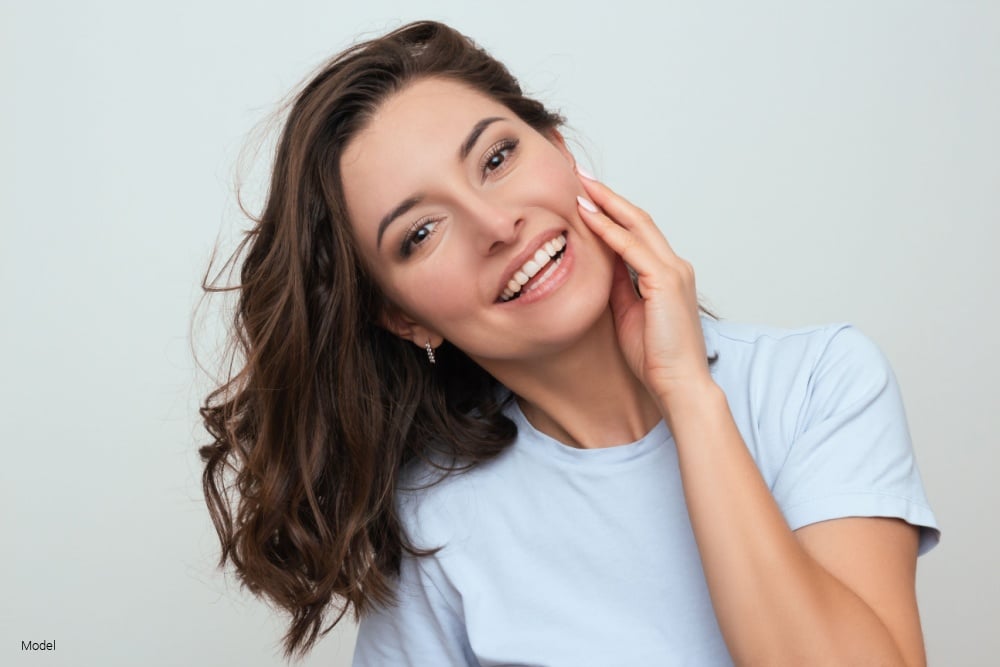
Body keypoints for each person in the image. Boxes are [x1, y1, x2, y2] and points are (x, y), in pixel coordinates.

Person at [198, 20, 939, 666]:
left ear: (559, 149)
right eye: (421, 233)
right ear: (402, 318)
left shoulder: (818, 384)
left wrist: (688, 394)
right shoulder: (433, 526)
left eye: (496, 159)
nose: (496, 226)